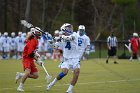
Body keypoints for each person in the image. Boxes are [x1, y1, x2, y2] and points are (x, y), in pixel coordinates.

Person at [47, 23, 80, 93]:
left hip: (75, 59)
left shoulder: (74, 34)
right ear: (64, 30)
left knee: (76, 73)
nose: (70, 29)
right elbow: (56, 47)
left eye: (70, 28)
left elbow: (70, 38)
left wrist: (60, 37)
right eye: (68, 28)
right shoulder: (61, 38)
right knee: (64, 72)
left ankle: (69, 90)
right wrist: (51, 43)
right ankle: (52, 83)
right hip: (66, 59)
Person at [15, 27, 44, 92]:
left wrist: (37, 54)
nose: (40, 34)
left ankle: (20, 75)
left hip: (30, 59)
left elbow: (33, 51)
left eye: (40, 32)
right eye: (38, 32)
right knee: (27, 72)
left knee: (36, 75)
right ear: (35, 33)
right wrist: (37, 60)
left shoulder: (36, 40)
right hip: (26, 58)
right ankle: (20, 87)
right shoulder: (33, 41)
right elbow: (30, 53)